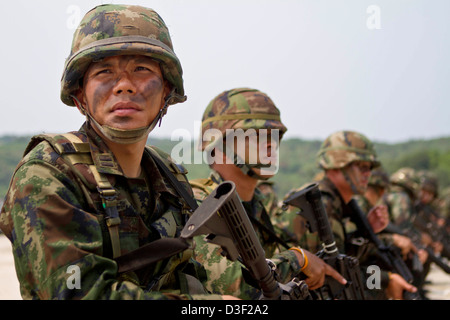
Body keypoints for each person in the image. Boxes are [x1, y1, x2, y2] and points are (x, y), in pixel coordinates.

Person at [0, 4, 233, 300]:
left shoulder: (168, 174)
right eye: (105, 72)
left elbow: (192, 272)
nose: (124, 86)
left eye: (141, 70)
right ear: (80, 94)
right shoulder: (49, 173)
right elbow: (76, 292)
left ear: (166, 90)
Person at [190, 88, 346, 299]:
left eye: (275, 134)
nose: (271, 143)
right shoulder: (199, 202)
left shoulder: (257, 203)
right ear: (219, 143)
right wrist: (298, 259)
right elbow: (236, 287)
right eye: (257, 135)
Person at [314, 130, 417, 299]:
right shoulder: (322, 203)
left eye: (369, 168)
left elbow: (342, 255)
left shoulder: (340, 203)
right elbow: (333, 274)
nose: (368, 174)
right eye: (362, 167)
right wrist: (386, 280)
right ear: (338, 163)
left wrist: (366, 233)